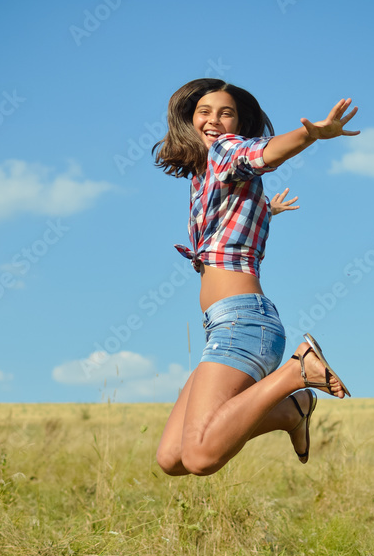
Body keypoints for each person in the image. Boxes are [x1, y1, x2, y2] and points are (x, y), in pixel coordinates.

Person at [152, 78, 360, 477]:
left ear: (238, 122)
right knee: (173, 458)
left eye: (225, 112)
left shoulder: (225, 151)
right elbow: (233, 220)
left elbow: (261, 153)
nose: (214, 120)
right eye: (205, 112)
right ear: (189, 119)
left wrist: (311, 134)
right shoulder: (205, 177)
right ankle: (290, 409)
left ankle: (297, 371)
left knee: (200, 458)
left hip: (243, 322)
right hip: (223, 325)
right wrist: (266, 210)